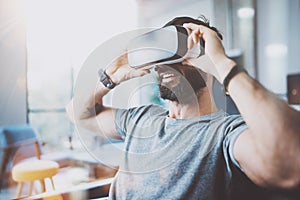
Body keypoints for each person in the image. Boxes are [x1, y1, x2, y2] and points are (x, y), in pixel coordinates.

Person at [66, 16, 300, 199]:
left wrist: (221, 65)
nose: (168, 64)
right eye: (163, 54)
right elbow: (77, 114)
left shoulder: (225, 133)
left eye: (182, 52)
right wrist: (110, 77)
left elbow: (290, 167)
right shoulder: (142, 118)